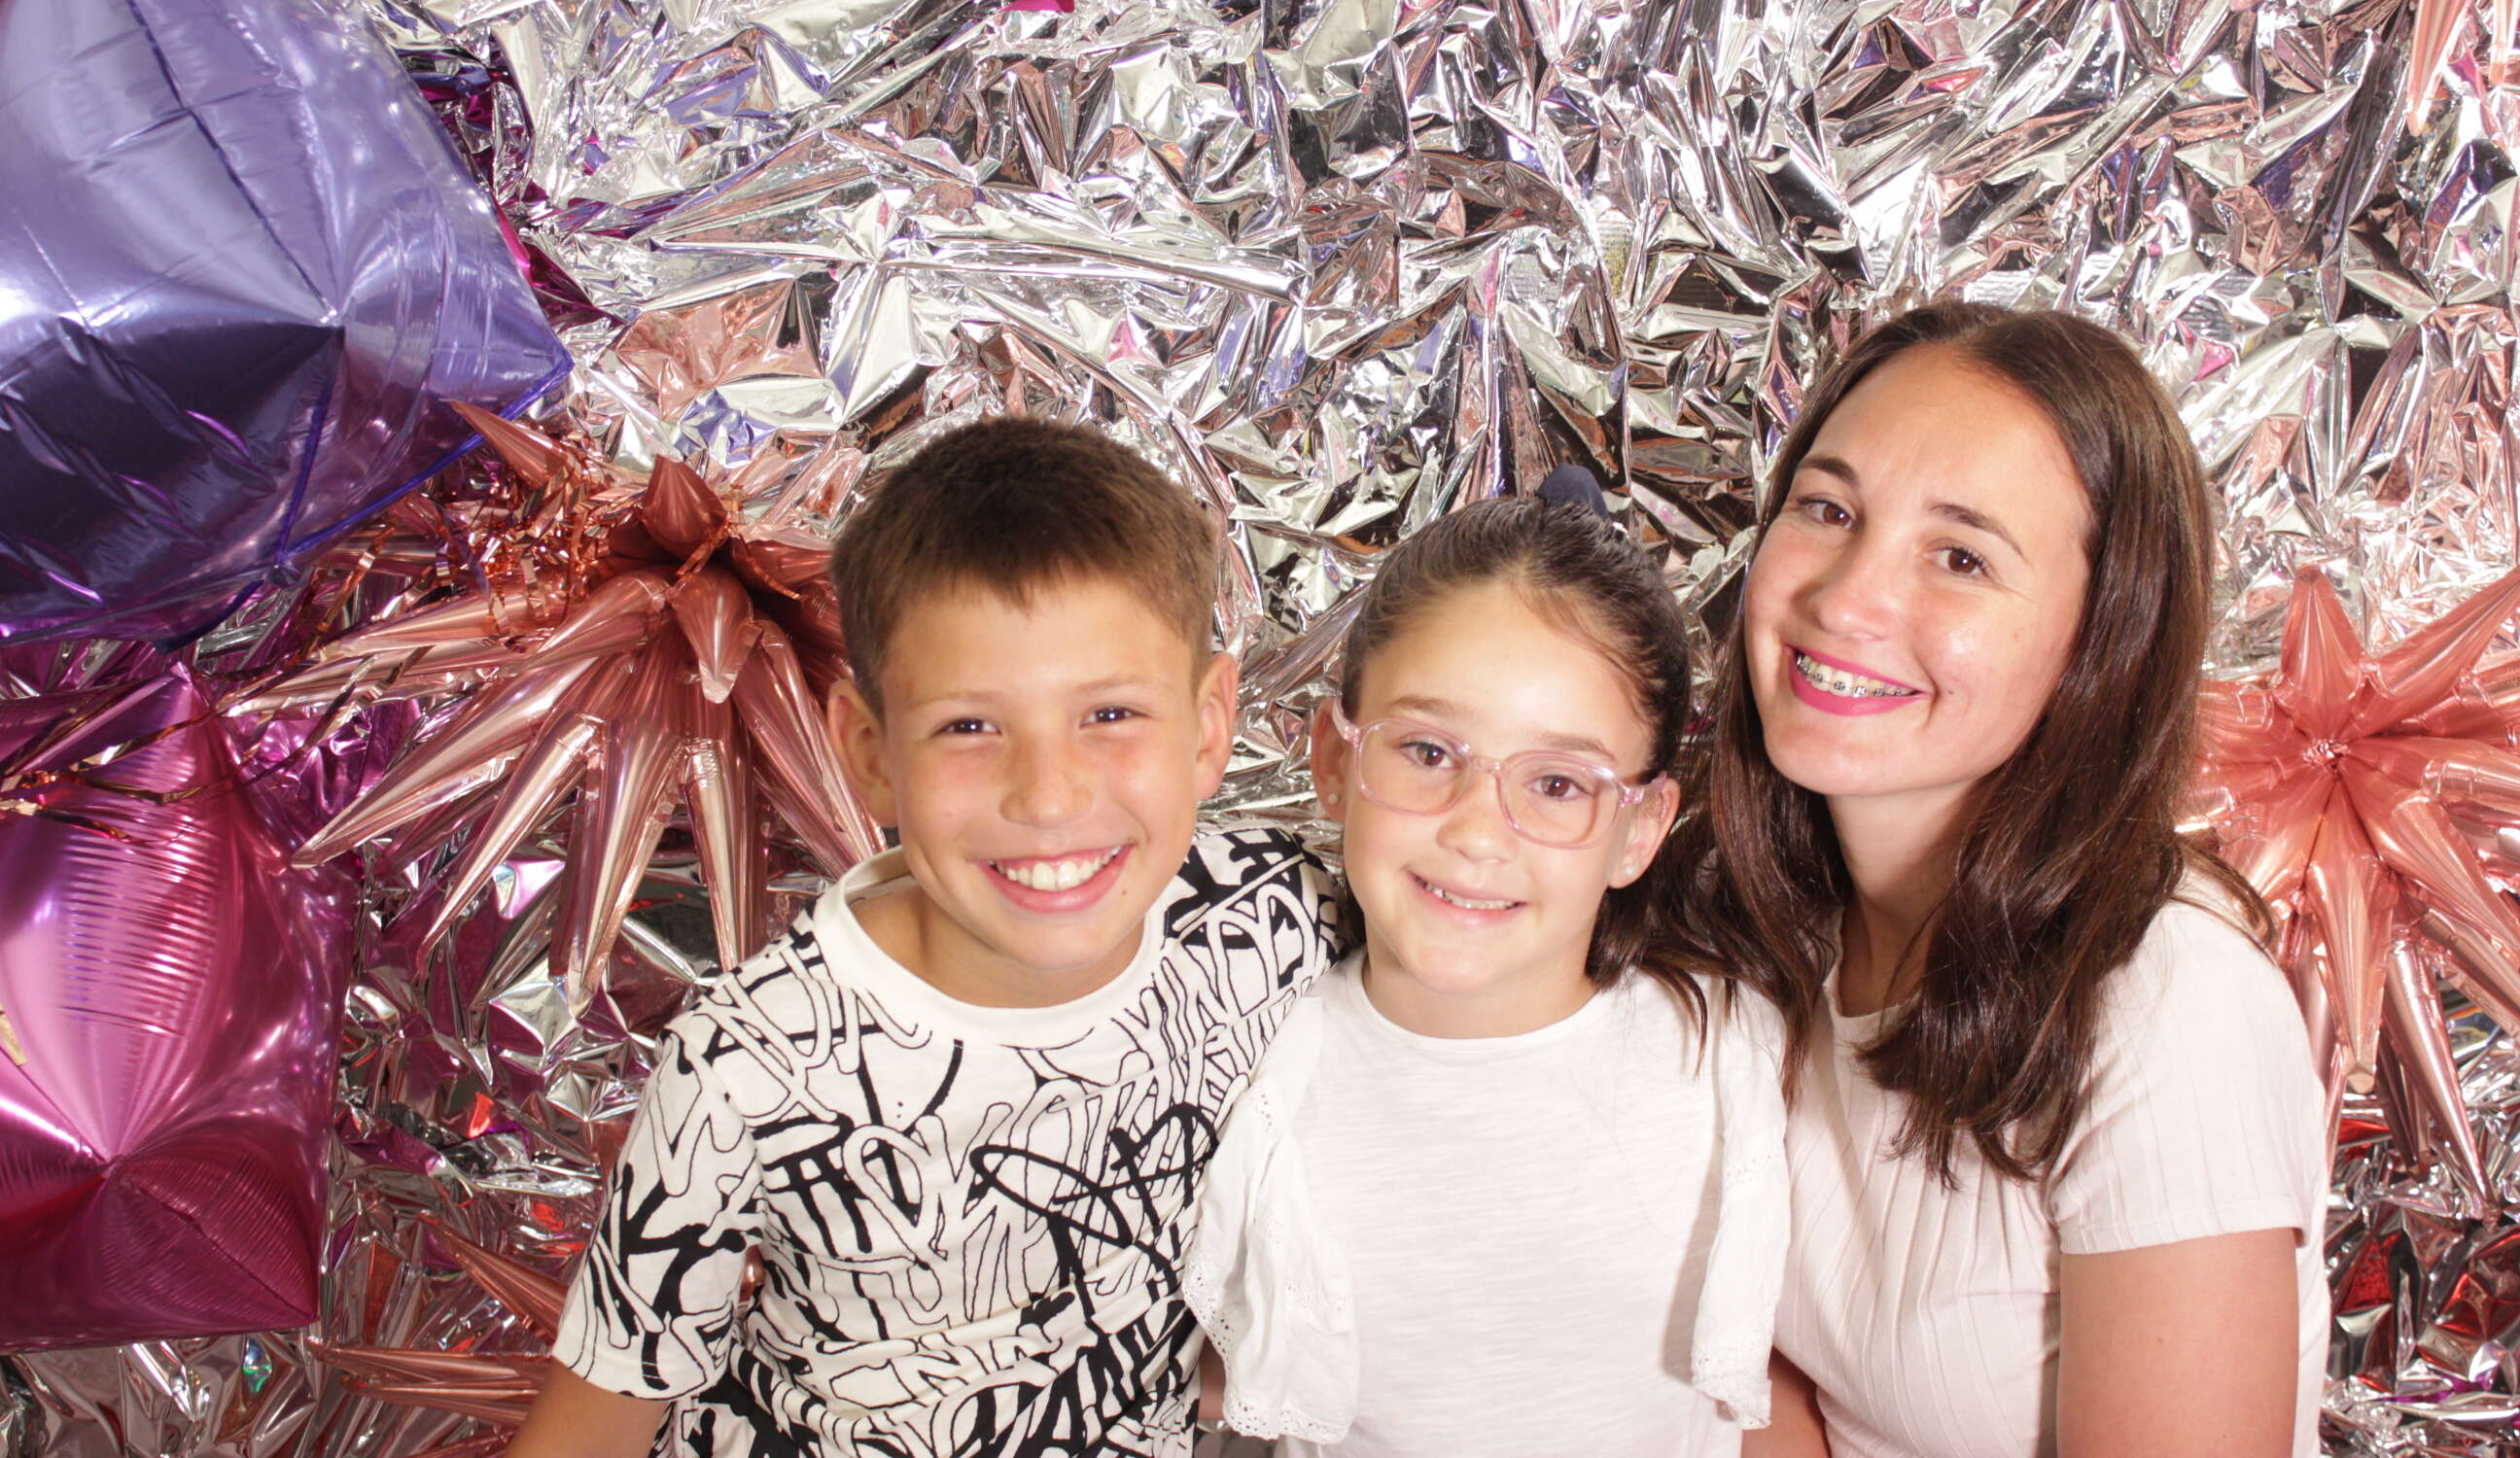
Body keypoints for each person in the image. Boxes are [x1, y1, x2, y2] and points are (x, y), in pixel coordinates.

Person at [506, 418, 1339, 1458]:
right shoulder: (751, 1065)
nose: (1048, 796)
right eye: (969, 727)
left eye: (1111, 715)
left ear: (1209, 726)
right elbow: (589, 1431)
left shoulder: (1267, 919)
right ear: (870, 753)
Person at [1695, 306, 2328, 1458]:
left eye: (1962, 557)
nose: (1845, 599)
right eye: (1828, 509)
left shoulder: (2173, 1007)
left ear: (2101, 643)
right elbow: (1730, 1353)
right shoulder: (1754, 923)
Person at [1187, 478, 1790, 1457]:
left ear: (1640, 829)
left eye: (1557, 782)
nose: (1476, 831)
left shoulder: (1726, 1055)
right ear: (1335, 762)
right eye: (1429, 752)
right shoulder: (1254, 1078)